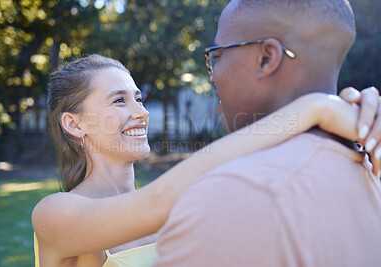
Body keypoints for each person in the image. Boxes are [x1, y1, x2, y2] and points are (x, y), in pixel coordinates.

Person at [32, 54, 379, 267]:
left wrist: (363, 139)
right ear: (74, 124)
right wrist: (314, 107)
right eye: (119, 101)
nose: (141, 112)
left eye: (138, 98)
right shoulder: (54, 215)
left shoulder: (179, 203)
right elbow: (157, 201)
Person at [153, 0, 381, 266]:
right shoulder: (371, 170)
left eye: (217, 56)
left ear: (266, 58)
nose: (213, 77)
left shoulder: (237, 197)